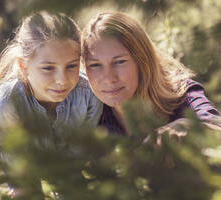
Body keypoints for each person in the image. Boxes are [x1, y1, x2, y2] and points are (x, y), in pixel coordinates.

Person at [0, 11, 103, 197]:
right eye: (48, 68)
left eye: (71, 66)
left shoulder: (89, 95)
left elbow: (77, 161)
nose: (62, 80)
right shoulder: (8, 99)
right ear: (24, 66)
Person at [81, 12, 221, 137]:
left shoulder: (182, 94)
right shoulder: (85, 112)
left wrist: (184, 126)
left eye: (119, 62)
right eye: (95, 65)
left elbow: (215, 129)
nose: (109, 78)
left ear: (142, 60)